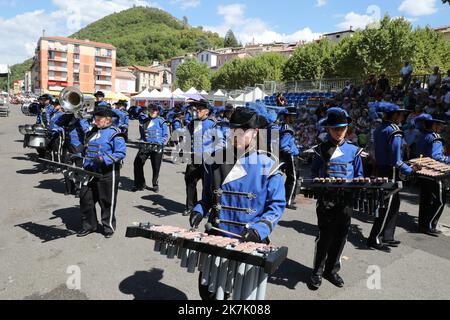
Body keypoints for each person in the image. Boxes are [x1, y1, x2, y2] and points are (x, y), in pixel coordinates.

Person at [189, 107, 286, 300]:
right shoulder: (213, 161)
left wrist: (260, 230)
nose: (236, 135)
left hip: (249, 241)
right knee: (209, 293)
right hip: (217, 238)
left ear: (255, 132)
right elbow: (208, 197)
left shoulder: (269, 165)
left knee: (244, 297)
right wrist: (199, 209)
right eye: (233, 130)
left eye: (242, 131)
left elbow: (276, 206)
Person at [308, 107, 364, 290]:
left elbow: (359, 175)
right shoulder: (320, 150)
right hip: (326, 200)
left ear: (347, 129)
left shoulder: (354, 151)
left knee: (341, 236)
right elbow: (315, 172)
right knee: (324, 237)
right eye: (335, 129)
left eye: (342, 128)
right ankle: (317, 271)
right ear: (328, 129)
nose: (339, 132)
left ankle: (331, 270)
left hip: (346, 201)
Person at [367, 103, 418, 252]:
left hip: (382, 168)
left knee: (393, 204)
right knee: (386, 205)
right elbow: (396, 160)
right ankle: (374, 238)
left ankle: (387, 235)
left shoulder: (379, 129)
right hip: (391, 171)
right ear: (394, 115)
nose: (402, 117)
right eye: (400, 114)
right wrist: (410, 170)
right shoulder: (394, 131)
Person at [78, 107, 127, 238]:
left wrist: (103, 159)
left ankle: (108, 227)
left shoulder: (115, 133)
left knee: (106, 201)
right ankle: (89, 225)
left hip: (107, 172)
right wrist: (77, 154)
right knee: (85, 199)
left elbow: (120, 153)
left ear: (108, 120)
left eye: (99, 118)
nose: (96, 120)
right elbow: (86, 149)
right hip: (89, 172)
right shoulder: (93, 131)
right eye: (95, 118)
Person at [182, 100, 220, 216]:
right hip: (194, 158)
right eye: (196, 109)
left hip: (208, 159)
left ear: (207, 111)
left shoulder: (213, 124)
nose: (197, 111)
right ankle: (190, 206)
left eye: (200, 109)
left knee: (207, 186)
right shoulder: (192, 123)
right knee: (190, 182)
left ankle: (205, 208)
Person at [416, 116, 448, 236]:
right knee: (440, 200)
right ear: (433, 125)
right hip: (434, 172)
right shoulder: (435, 137)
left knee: (425, 199)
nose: (441, 127)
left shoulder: (422, 135)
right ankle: (428, 225)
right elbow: (437, 156)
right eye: (439, 125)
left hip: (422, 171)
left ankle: (422, 225)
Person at [133, 104, 169, 193]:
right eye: (151, 110)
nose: (153, 112)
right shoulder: (144, 121)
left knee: (156, 167)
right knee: (137, 163)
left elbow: (166, 135)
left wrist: (161, 142)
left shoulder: (161, 121)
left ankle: (155, 184)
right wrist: (141, 141)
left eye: (155, 110)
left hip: (157, 147)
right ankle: (140, 184)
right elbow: (141, 134)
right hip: (145, 146)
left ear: (157, 111)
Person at [280, 107, 300, 210]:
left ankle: (288, 198)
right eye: (293, 116)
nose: (294, 118)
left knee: (291, 178)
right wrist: (293, 151)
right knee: (293, 178)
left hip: (291, 156)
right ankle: (288, 201)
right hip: (291, 156)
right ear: (287, 117)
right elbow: (283, 145)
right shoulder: (287, 128)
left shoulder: (286, 126)